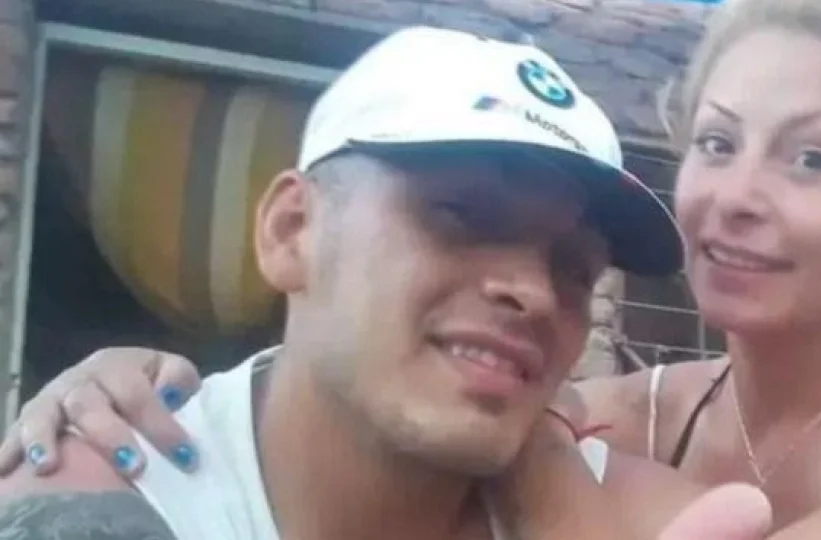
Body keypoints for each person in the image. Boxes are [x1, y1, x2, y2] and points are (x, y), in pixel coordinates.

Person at [0, 0, 821, 538]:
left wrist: (536, 458)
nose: (736, 193)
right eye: (717, 141)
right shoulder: (618, 418)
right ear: (290, 229)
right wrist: (121, 382)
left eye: (813, 158)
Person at [0, 24, 777, 540]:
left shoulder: (650, 525)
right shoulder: (103, 498)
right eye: (463, 216)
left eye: (574, 268)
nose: (536, 293)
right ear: (291, 231)